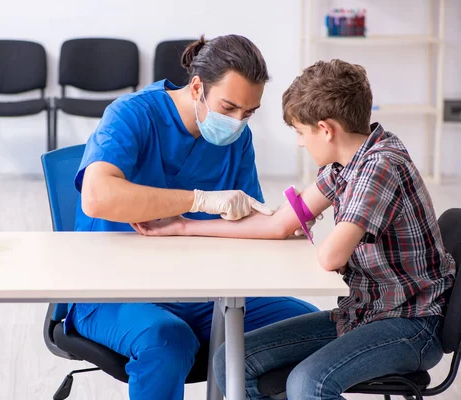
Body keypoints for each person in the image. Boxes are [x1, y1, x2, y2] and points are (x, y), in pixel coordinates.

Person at [133, 59, 457, 400]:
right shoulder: (343, 166)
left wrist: (311, 233)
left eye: (302, 133)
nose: (301, 144)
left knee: (309, 383)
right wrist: (184, 226)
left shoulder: (380, 165)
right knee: (232, 361)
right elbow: (280, 223)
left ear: (326, 129)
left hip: (412, 324)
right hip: (363, 313)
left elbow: (331, 255)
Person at [68, 34, 319, 400]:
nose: (237, 122)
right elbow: (96, 197)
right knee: (167, 341)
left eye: (248, 113)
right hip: (113, 294)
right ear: (198, 86)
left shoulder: (237, 140)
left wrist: (279, 223)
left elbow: (245, 219)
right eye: (229, 107)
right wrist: (199, 200)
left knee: (309, 324)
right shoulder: (132, 115)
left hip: (203, 294)